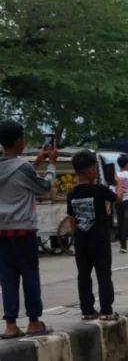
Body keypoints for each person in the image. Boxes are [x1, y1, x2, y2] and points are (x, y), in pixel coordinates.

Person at [0, 121, 57, 338]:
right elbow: (44, 187)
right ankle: (34, 322)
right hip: (23, 231)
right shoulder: (23, 168)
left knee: (8, 278)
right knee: (30, 276)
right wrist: (50, 164)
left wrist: (36, 163)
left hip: (2, 232)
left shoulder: (14, 167)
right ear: (18, 141)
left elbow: (16, 180)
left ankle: (11, 325)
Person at [68, 150, 123, 321]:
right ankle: (106, 310)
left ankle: (87, 310)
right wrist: (118, 182)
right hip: (100, 240)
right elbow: (118, 198)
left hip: (81, 240)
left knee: (83, 276)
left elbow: (72, 218)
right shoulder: (99, 189)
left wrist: (75, 236)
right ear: (92, 169)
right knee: (103, 274)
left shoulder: (72, 193)